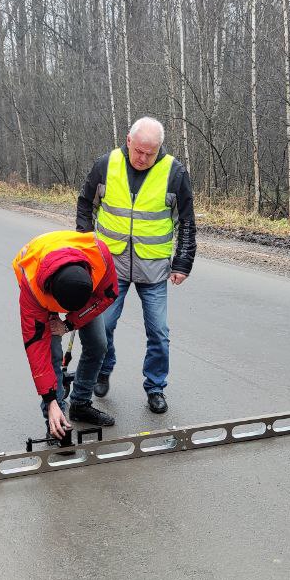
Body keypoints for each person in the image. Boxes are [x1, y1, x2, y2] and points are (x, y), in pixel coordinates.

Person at [76, 116, 196, 414]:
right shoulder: (106, 164)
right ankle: (103, 369)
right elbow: (84, 205)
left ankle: (155, 387)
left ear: (159, 149)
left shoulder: (174, 173)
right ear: (128, 140)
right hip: (109, 266)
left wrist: (182, 262)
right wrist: (84, 247)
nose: (143, 158)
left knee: (158, 332)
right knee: (103, 326)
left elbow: (188, 223)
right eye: (139, 151)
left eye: (150, 153)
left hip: (153, 269)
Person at [14, 230, 119, 440]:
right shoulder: (32, 287)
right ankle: (55, 418)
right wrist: (50, 399)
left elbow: (107, 295)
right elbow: (37, 349)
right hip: (43, 279)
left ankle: (80, 404)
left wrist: (70, 323)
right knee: (52, 352)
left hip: (79, 287)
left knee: (98, 344)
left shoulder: (100, 256)